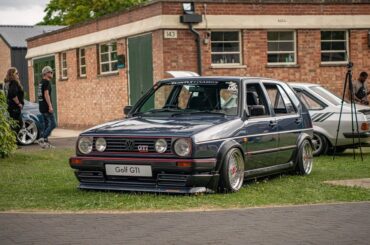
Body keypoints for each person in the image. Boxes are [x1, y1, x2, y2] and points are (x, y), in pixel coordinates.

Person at [37, 66, 56, 149]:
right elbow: (46, 94)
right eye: (51, 72)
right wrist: (50, 106)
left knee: (46, 125)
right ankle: (42, 138)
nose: (52, 73)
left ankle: (45, 143)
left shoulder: (41, 82)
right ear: (46, 73)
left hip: (41, 107)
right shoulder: (47, 82)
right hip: (46, 107)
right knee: (53, 124)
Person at [5, 68, 24, 136]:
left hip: (10, 107)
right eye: (16, 73)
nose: (18, 74)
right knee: (18, 125)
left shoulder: (7, 83)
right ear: (12, 74)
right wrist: (19, 103)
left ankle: (13, 143)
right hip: (14, 107)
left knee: (13, 125)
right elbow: (12, 94)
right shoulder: (14, 82)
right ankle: (14, 143)